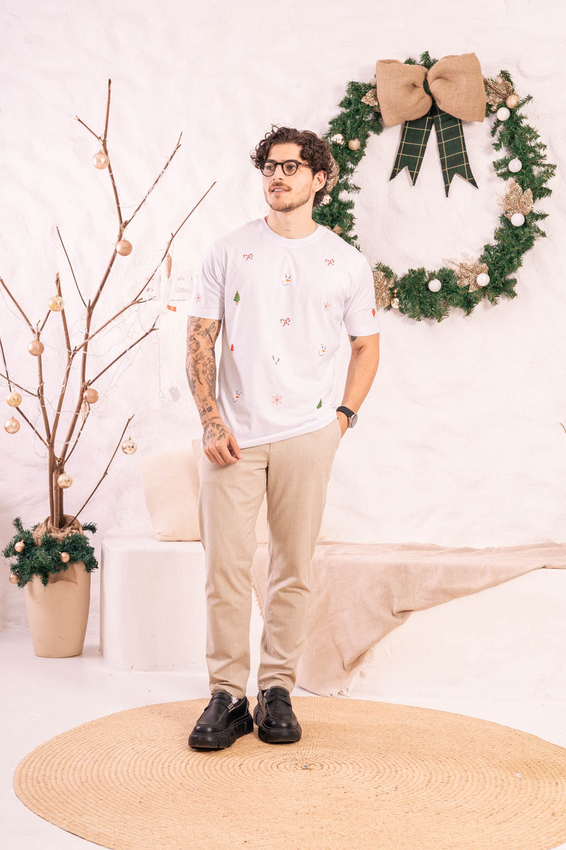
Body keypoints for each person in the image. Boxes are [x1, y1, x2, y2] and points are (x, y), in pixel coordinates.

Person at [186, 125, 380, 750]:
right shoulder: (227, 251)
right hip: (232, 437)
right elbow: (200, 337)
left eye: (291, 167)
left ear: (319, 179)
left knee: (292, 568)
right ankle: (225, 694)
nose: (277, 175)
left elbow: (366, 345)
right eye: (270, 166)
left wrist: (342, 419)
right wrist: (209, 417)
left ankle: (276, 690)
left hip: (309, 433)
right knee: (225, 568)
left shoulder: (346, 261)